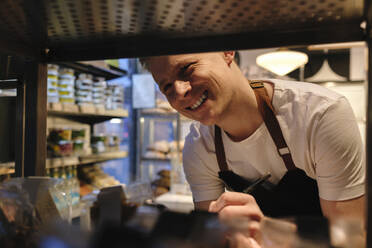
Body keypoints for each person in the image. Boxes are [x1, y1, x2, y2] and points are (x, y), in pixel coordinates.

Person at [141, 51, 365, 246]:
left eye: (187, 69)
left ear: (227, 52)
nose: (179, 91)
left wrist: (266, 229)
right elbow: (211, 236)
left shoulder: (319, 115)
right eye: (167, 86)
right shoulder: (199, 147)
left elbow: (352, 239)